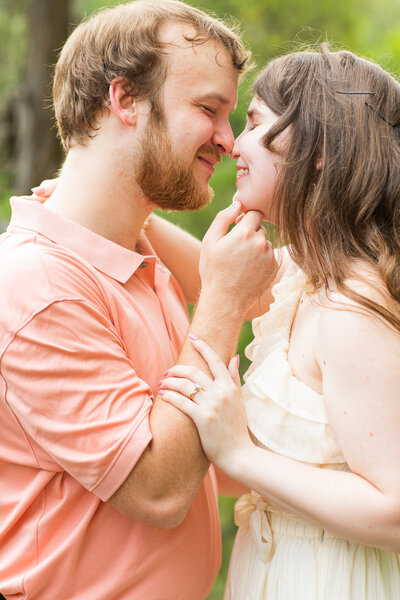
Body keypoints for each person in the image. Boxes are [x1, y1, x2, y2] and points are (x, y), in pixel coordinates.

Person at [0, 2, 275, 599]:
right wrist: (223, 300)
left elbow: (210, 455)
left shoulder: (129, 257)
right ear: (124, 99)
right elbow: (159, 489)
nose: (229, 141)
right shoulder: (38, 288)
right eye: (209, 110)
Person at [159, 46, 400, 599]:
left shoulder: (352, 306)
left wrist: (239, 453)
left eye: (254, 122)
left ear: (316, 151)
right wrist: (129, 220)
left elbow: (394, 513)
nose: (234, 144)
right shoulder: (306, 272)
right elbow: (215, 280)